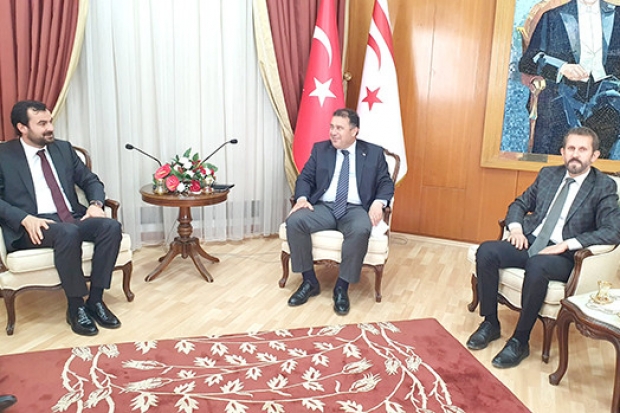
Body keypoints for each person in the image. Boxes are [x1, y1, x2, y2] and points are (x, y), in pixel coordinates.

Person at [467, 126, 620, 368]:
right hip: (531, 240)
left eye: (582, 149)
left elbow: (613, 230)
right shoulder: (548, 174)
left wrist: (567, 244)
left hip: (565, 255)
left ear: (594, 156)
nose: (575, 154)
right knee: (487, 251)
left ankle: (520, 340)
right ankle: (490, 323)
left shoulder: (603, 186)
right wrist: (516, 229)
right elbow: (519, 204)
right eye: (571, 148)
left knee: (537, 265)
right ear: (563, 152)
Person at [0, 100, 123, 336]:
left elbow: (90, 181)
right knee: (68, 232)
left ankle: (95, 300)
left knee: (110, 227)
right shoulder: (4, 155)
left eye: (50, 121)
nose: (50, 128)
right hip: (32, 226)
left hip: (70, 218)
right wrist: (24, 218)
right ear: (22, 127)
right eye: (42, 123)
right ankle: (76, 307)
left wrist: (96, 205)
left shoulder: (63, 149)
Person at [285, 108, 394, 315]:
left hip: (355, 208)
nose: (333, 132)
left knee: (361, 229)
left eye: (339, 128)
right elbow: (305, 178)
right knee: (295, 221)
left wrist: (378, 203)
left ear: (354, 131)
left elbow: (385, 183)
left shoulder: (373, 153)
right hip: (324, 207)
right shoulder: (321, 150)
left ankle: (341, 287)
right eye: (332, 127)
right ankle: (309, 281)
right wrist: (302, 199)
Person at [519, 0, 620, 158]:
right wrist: (562, 68)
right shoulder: (553, 16)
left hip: (609, 90)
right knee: (555, 113)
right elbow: (528, 61)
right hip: (565, 90)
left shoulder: (618, 15)